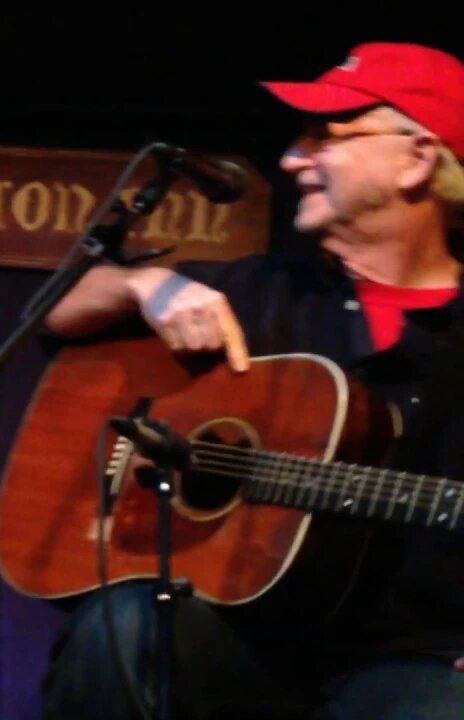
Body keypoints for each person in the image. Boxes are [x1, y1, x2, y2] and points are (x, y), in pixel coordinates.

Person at [40, 42, 464, 719]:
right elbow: (53, 312)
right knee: (123, 624)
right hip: (240, 640)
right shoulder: (261, 290)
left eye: (323, 135)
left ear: (416, 158)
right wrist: (145, 284)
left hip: (411, 663)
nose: (291, 158)